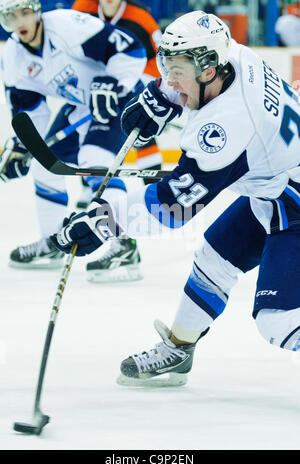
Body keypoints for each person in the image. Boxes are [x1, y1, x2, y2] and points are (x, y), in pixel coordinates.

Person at [52, 11, 300, 387]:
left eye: (176, 68)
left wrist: (104, 221)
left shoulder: (223, 127)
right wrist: (160, 96)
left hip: (292, 203)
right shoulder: (233, 56)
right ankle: (179, 349)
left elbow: (171, 207)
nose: (169, 75)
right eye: (166, 62)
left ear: (207, 69)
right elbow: (183, 80)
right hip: (278, 189)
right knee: (214, 257)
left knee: (277, 322)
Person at [0, 0, 146, 282]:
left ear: (37, 11)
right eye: (11, 17)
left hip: (119, 97)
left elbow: (131, 47)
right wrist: (25, 146)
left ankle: (123, 245)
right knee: (45, 164)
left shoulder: (66, 25)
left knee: (95, 159)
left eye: (25, 13)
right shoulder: (14, 57)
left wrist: (113, 82)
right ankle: (54, 243)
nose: (20, 23)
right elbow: (29, 110)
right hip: (81, 107)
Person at [71, 0, 167, 277]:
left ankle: (153, 182)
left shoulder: (142, 19)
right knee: (87, 139)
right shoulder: (82, 10)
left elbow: (161, 60)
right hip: (96, 84)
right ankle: (91, 188)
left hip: (134, 81)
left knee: (139, 132)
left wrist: (133, 81)